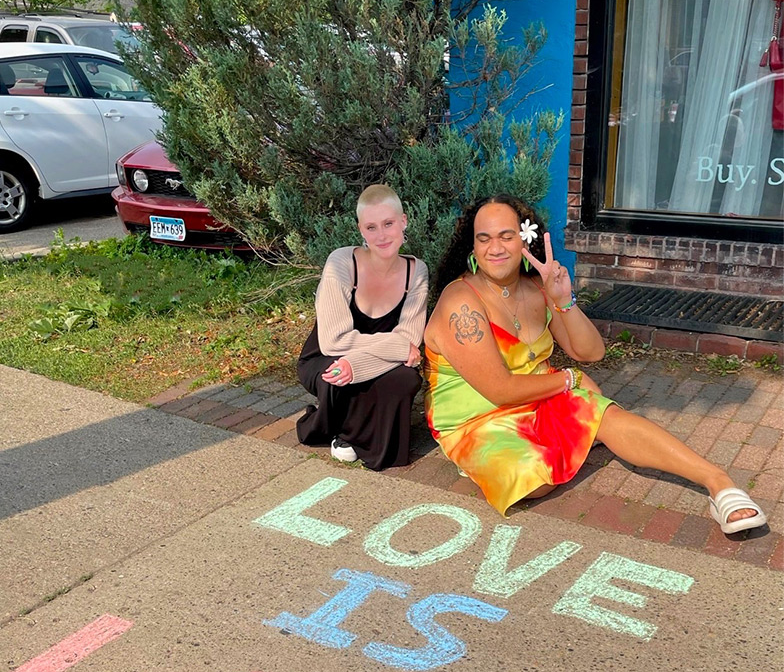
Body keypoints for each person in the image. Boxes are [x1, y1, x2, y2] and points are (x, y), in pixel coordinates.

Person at [423, 194, 767, 535]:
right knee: (533, 480)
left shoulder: (535, 288)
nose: (494, 247)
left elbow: (590, 351)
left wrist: (562, 300)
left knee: (609, 416)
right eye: (484, 238)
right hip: (478, 417)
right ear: (472, 247)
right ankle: (573, 437)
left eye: (506, 236)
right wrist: (568, 381)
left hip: (536, 395)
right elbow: (499, 389)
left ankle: (719, 484)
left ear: (524, 240)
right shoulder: (461, 302)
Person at [296, 184, 428, 470]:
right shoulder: (341, 262)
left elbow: (410, 336)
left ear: (403, 221)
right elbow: (332, 341)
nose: (381, 235)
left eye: (388, 224)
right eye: (371, 227)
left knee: (405, 380)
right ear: (360, 230)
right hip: (324, 356)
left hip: (374, 360)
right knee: (335, 374)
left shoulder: (417, 272)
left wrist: (356, 365)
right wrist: (397, 348)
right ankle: (342, 432)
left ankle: (355, 435)